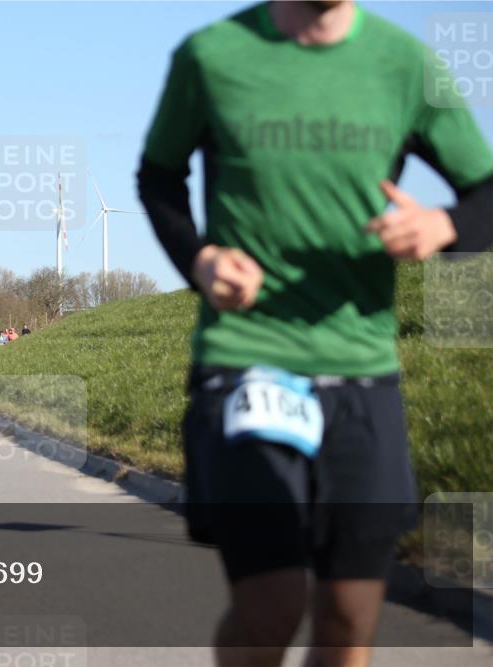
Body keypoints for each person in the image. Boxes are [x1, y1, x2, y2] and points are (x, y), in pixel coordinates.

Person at [137, 2, 493, 666]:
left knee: (349, 620)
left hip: (363, 372)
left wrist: (444, 226)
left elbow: (486, 191)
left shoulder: (407, 65)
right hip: (245, 362)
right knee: (271, 607)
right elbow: (158, 177)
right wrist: (200, 259)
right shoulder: (211, 55)